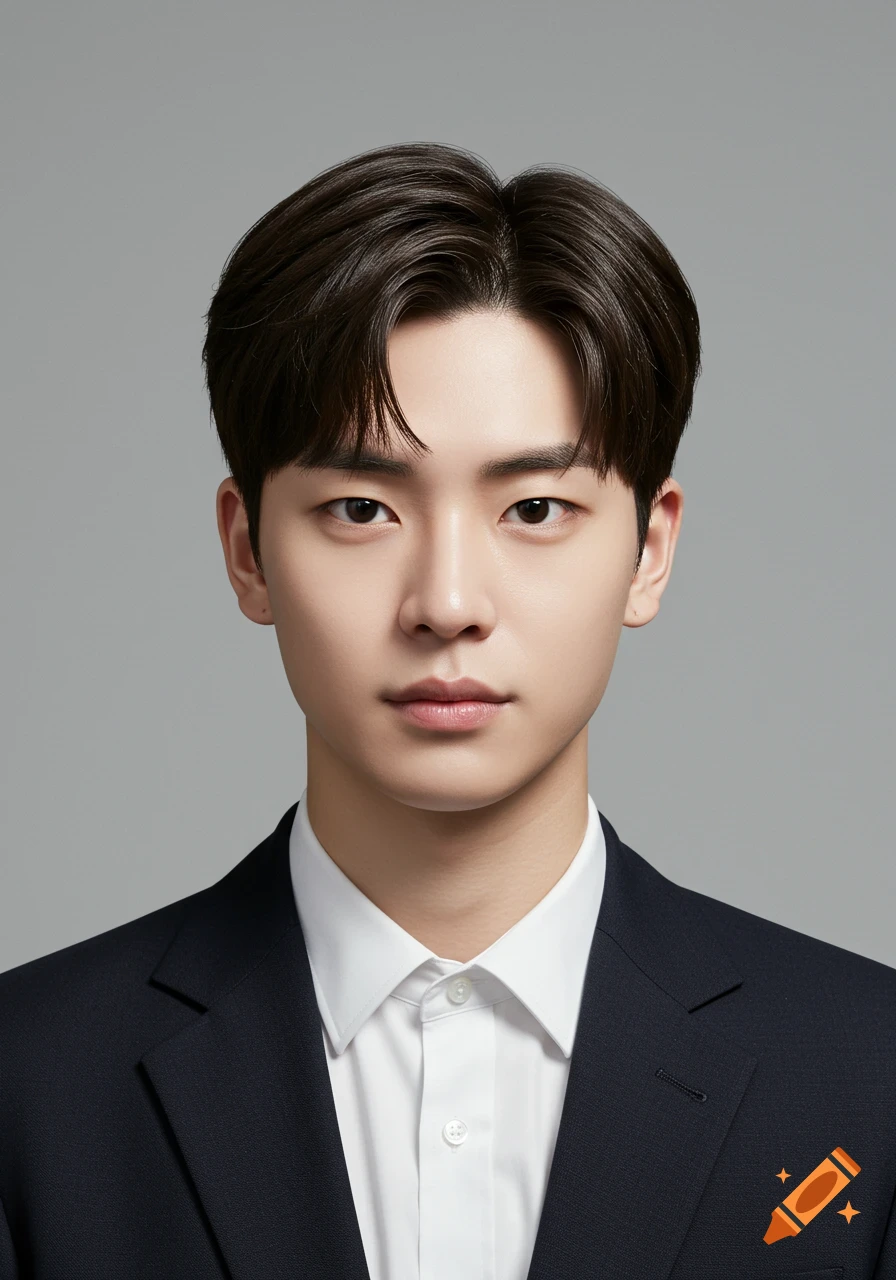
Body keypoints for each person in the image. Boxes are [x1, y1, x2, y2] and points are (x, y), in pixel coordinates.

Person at [1, 141, 894, 1280]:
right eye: (363, 508)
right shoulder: (28, 1085)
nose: (448, 603)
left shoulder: (866, 1074)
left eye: (533, 505)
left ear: (648, 548)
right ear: (246, 550)